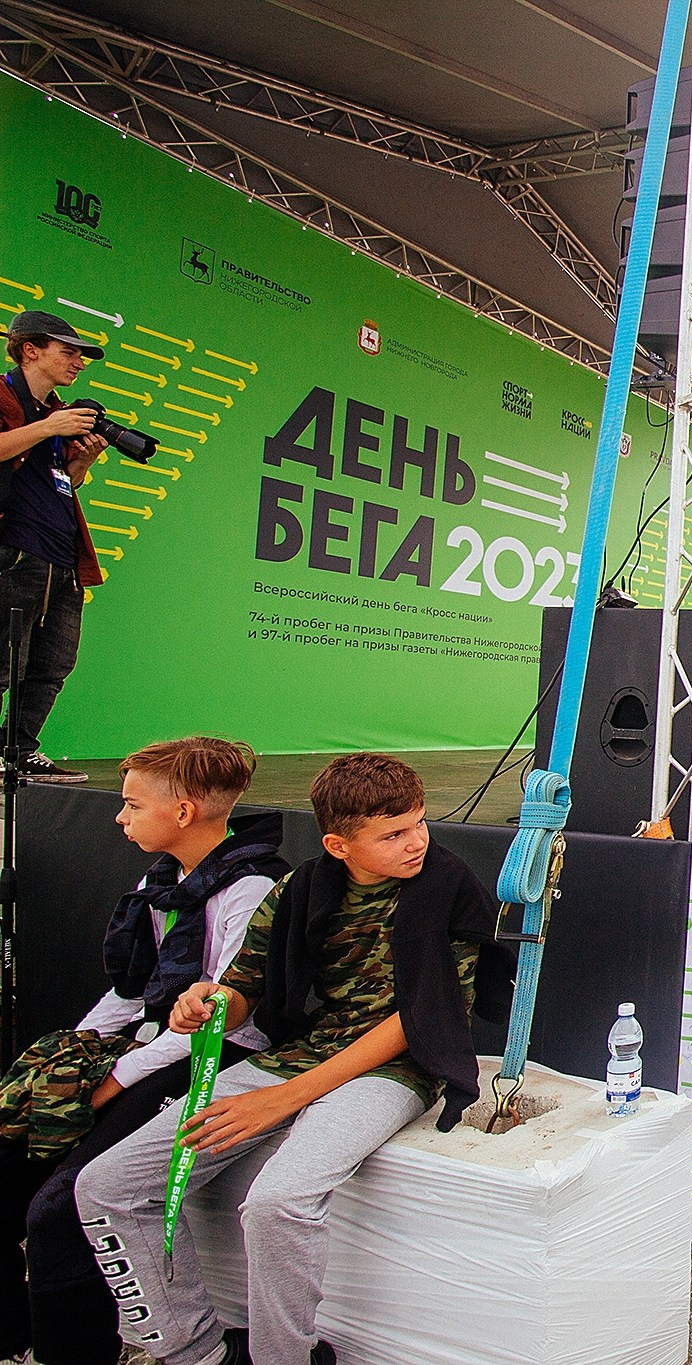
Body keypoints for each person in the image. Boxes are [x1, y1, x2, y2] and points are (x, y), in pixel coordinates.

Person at [74, 753, 513, 1365]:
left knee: (279, 1202)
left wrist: (281, 1099)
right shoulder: (299, 888)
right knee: (106, 1186)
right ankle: (194, 1352)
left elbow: (417, 1021)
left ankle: (287, 1358)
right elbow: (241, 986)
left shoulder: (451, 889)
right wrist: (203, 1004)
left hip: (396, 1068)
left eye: (418, 824)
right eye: (393, 834)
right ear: (338, 844)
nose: (417, 843)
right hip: (301, 1052)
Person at [0, 740, 283, 1365]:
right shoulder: (162, 879)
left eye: (130, 805)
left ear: (183, 812)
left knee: (60, 1207)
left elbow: (216, 1017)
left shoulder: (250, 890)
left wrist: (115, 1079)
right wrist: (76, 1053)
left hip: (213, 1057)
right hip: (147, 1047)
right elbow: (134, 992)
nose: (120, 818)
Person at [0, 311, 112, 783]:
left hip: (61, 556)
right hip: (14, 550)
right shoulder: (9, 399)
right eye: (68, 351)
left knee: (51, 664)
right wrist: (50, 428)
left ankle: (21, 750)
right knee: (3, 661)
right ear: (30, 350)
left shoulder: (56, 416)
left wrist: (80, 465)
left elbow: (59, 486)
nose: (79, 361)